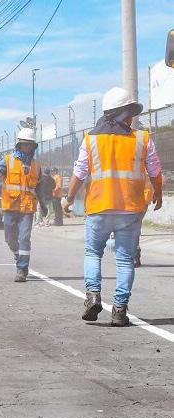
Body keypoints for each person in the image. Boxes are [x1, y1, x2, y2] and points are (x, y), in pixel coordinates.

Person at [63, 87, 163, 327]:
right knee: (125, 259)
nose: (132, 118)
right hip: (130, 208)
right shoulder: (142, 138)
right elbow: (155, 170)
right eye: (130, 113)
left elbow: (79, 172)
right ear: (122, 113)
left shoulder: (91, 139)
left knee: (92, 253)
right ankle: (119, 310)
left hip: (99, 207)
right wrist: (158, 193)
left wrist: (69, 198)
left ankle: (93, 296)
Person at [0, 127, 44, 283]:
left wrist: (43, 205)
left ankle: (22, 269)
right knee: (10, 238)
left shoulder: (36, 165)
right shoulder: (8, 160)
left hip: (27, 208)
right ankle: (17, 254)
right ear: (19, 145)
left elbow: (39, 187)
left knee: (24, 237)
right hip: (10, 206)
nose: (27, 147)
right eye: (25, 144)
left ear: (33, 146)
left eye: (30, 144)